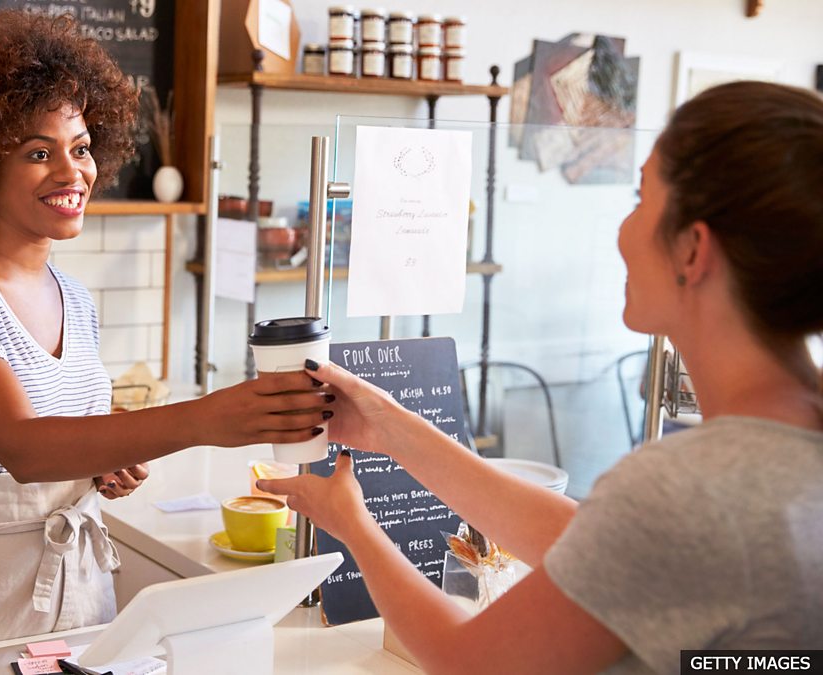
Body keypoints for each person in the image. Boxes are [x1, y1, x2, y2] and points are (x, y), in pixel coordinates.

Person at [259, 81, 823, 675]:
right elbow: (602, 546)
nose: (622, 230)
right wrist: (392, 428)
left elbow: (472, 662)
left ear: (692, 250)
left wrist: (354, 526)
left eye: (639, 199)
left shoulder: (685, 490)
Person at [0, 11, 328, 646]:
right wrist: (203, 420)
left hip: (78, 594)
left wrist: (107, 462)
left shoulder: (76, 300)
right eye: (38, 152)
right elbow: (24, 449)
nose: (71, 173)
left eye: (81, 148)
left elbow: (65, 438)